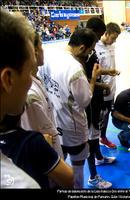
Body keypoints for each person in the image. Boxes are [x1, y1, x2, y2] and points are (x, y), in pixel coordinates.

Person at [0, 9, 73, 189]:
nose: (29, 82)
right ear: (8, 79)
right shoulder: (22, 183)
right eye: (28, 71)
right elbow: (68, 179)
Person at [39, 28, 101, 188]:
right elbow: (85, 101)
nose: (89, 54)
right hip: (73, 130)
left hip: (53, 124)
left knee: (57, 164)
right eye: (90, 50)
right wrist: (93, 79)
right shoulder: (74, 69)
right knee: (78, 169)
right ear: (82, 48)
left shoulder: (49, 56)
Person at [85, 18, 118, 188]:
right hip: (90, 101)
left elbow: (93, 73)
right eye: (97, 37)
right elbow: (88, 78)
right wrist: (102, 83)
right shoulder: (86, 52)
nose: (98, 41)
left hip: (98, 97)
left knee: (96, 133)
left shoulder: (91, 51)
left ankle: (99, 158)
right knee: (91, 138)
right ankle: (92, 177)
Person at [20, 33, 63, 158]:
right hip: (48, 162)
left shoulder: (36, 79)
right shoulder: (31, 95)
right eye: (41, 45)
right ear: (35, 52)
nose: (43, 50)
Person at [95, 22, 121, 149]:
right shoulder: (95, 47)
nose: (114, 41)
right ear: (106, 33)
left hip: (111, 88)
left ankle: (102, 137)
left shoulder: (112, 46)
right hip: (100, 89)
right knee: (99, 115)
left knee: (106, 115)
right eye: (113, 38)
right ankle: (96, 139)